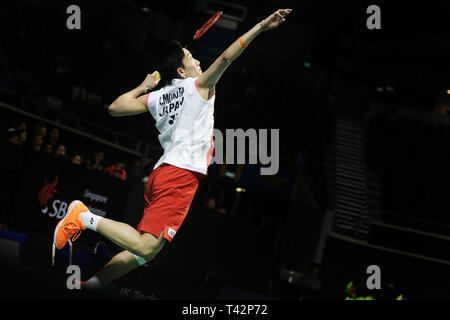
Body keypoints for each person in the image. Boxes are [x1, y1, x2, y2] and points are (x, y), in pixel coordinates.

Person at [53, 8, 292, 291]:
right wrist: (263, 25)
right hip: (180, 174)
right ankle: (83, 216)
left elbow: (115, 108)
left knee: (146, 252)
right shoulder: (199, 86)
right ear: (181, 71)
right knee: (145, 246)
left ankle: (92, 285)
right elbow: (228, 57)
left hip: (164, 173)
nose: (200, 61)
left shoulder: (158, 97)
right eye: (192, 59)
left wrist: (142, 87)